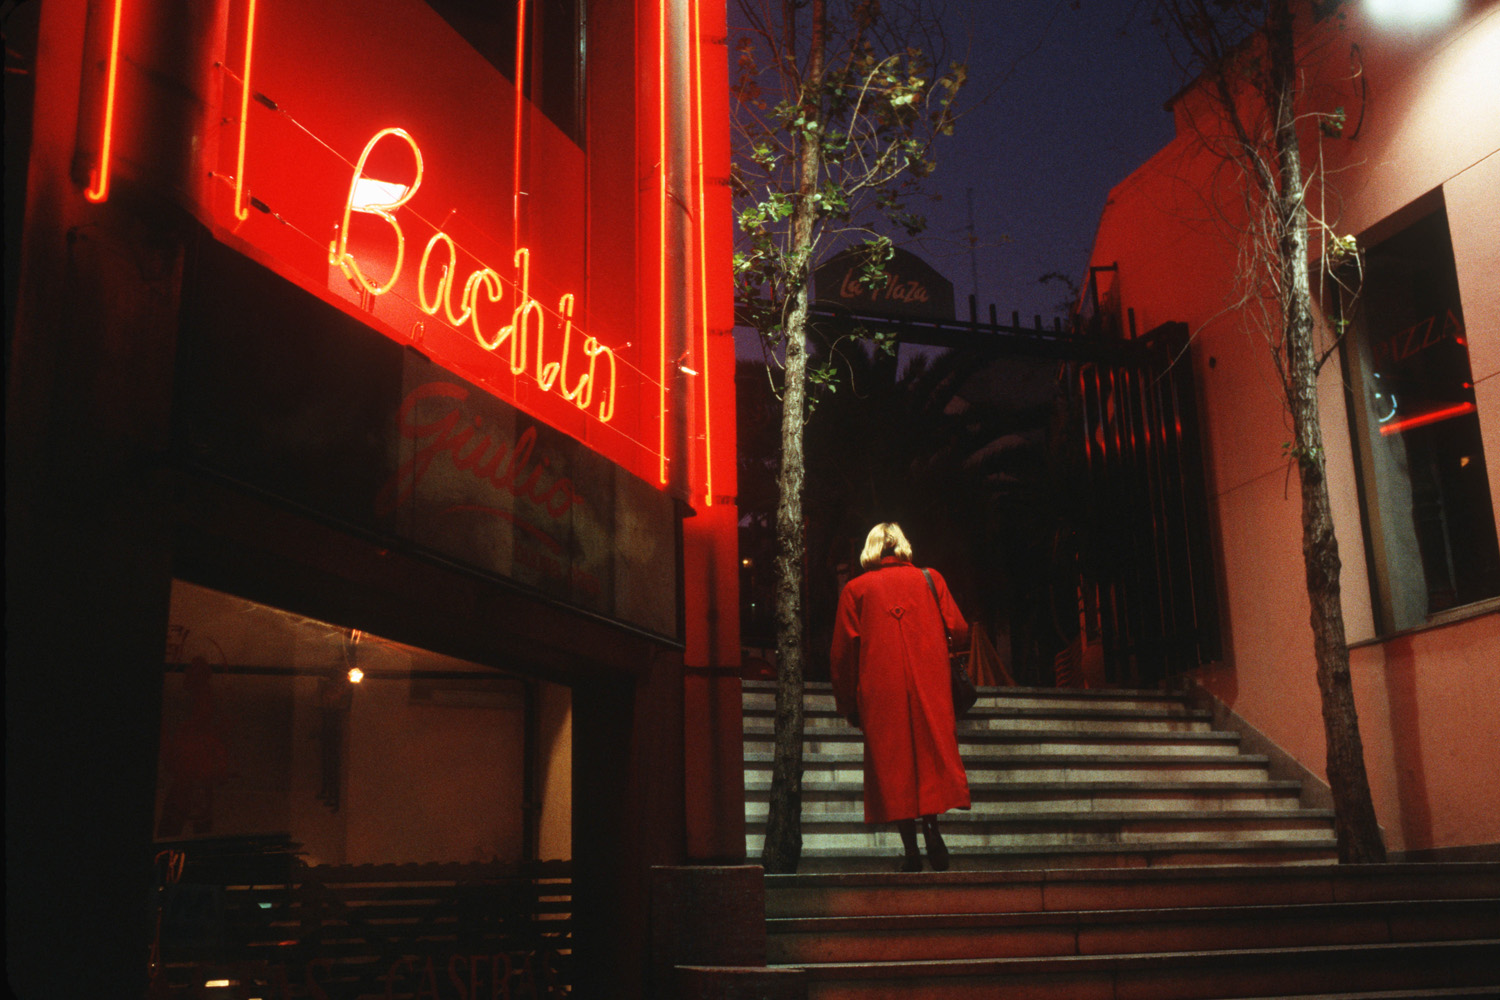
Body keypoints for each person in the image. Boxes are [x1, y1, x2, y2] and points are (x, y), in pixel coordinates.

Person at [830, 522, 970, 872]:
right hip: (930, 683)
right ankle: (932, 831)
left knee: (893, 765)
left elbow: (842, 654)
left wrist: (848, 702)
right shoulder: (930, 579)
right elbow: (959, 629)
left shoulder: (855, 590)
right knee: (928, 757)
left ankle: (910, 851)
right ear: (902, 545)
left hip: (880, 690)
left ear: (872, 549)